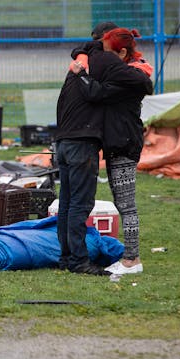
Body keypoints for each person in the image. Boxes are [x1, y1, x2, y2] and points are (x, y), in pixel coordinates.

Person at [53, 25, 150, 276]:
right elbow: (100, 91)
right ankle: (80, 260)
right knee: (80, 204)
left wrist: (82, 67)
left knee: (70, 202)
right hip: (85, 142)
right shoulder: (102, 62)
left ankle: (124, 258)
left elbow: (142, 81)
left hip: (68, 140)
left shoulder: (86, 62)